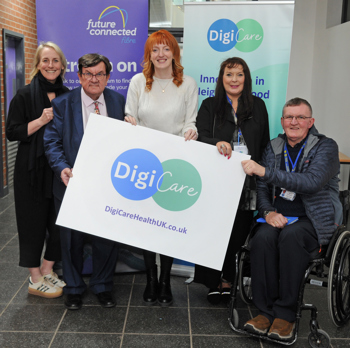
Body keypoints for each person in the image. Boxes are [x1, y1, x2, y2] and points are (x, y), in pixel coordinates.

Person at [242, 98, 342, 341]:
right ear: (282, 121)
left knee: (291, 236)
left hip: (312, 217)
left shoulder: (325, 147)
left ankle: (285, 315)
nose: (294, 122)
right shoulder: (274, 146)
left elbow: (311, 183)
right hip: (278, 214)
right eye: (289, 117)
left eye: (300, 117)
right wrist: (267, 212)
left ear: (311, 121)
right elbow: (263, 187)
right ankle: (265, 312)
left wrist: (264, 171)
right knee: (263, 237)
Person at [44, 53, 125, 310]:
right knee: (71, 239)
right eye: (88, 74)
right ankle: (75, 288)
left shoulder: (117, 101)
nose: (94, 79)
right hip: (71, 183)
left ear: (108, 77)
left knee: (106, 238)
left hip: (108, 186)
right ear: (79, 76)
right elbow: (52, 142)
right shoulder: (63, 104)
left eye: (99, 74)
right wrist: (62, 168)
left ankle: (102, 286)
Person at [125, 29, 198, 306]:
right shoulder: (137, 81)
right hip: (144, 162)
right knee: (147, 224)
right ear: (149, 54)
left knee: (168, 223)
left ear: (174, 53)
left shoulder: (187, 84)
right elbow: (130, 115)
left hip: (175, 163)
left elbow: (190, 121)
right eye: (155, 50)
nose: (161, 54)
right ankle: (150, 279)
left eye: (166, 49)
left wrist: (191, 131)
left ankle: (166, 281)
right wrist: (129, 121)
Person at [194, 57, 270, 304]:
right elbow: (200, 137)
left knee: (238, 233)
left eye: (239, 74)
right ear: (221, 78)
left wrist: (264, 174)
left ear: (246, 78)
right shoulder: (209, 105)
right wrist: (215, 142)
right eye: (229, 74)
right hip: (218, 181)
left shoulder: (258, 106)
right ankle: (216, 282)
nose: (234, 79)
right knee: (216, 231)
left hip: (248, 183)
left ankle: (230, 278)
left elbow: (264, 144)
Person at [6, 42, 68, 298]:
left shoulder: (68, 95)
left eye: (55, 61)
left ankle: (47, 268)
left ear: (63, 66)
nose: (50, 65)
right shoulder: (24, 94)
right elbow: (12, 132)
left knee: (59, 223)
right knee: (31, 223)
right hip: (30, 170)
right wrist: (41, 120)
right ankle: (34, 278)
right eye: (45, 61)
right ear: (37, 65)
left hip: (58, 169)